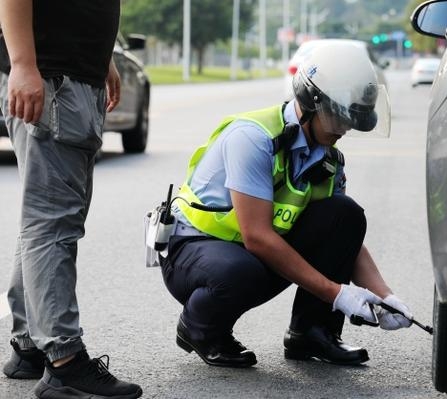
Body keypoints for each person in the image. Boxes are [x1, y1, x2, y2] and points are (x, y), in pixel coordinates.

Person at [160, 41, 414, 368]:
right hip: (194, 251)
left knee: (345, 215)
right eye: (340, 116)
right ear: (311, 103)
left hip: (249, 251)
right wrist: (337, 293)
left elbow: (344, 241)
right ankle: (201, 326)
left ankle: (312, 333)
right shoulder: (253, 138)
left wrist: (385, 297)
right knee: (241, 271)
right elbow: (257, 237)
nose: (347, 127)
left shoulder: (329, 158)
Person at [0, 1, 142, 398]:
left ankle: (30, 342)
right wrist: (24, 63)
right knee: (52, 223)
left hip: (71, 74)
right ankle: (64, 363)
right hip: (51, 78)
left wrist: (102, 58)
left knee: (44, 219)